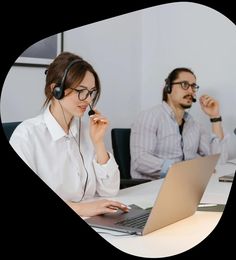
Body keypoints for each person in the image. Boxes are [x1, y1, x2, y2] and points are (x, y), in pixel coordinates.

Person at [9, 52, 129, 217]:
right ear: (56, 90)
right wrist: (81, 209)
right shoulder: (27, 136)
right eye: (81, 91)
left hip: (97, 221)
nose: (87, 100)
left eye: (91, 92)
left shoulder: (87, 131)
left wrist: (98, 142)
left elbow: (110, 190)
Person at [130, 67, 228, 180]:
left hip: (185, 184)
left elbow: (218, 161)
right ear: (169, 88)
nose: (191, 91)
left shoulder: (194, 125)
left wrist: (215, 117)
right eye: (184, 85)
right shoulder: (149, 117)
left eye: (193, 86)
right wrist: (183, 170)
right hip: (153, 188)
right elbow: (140, 161)